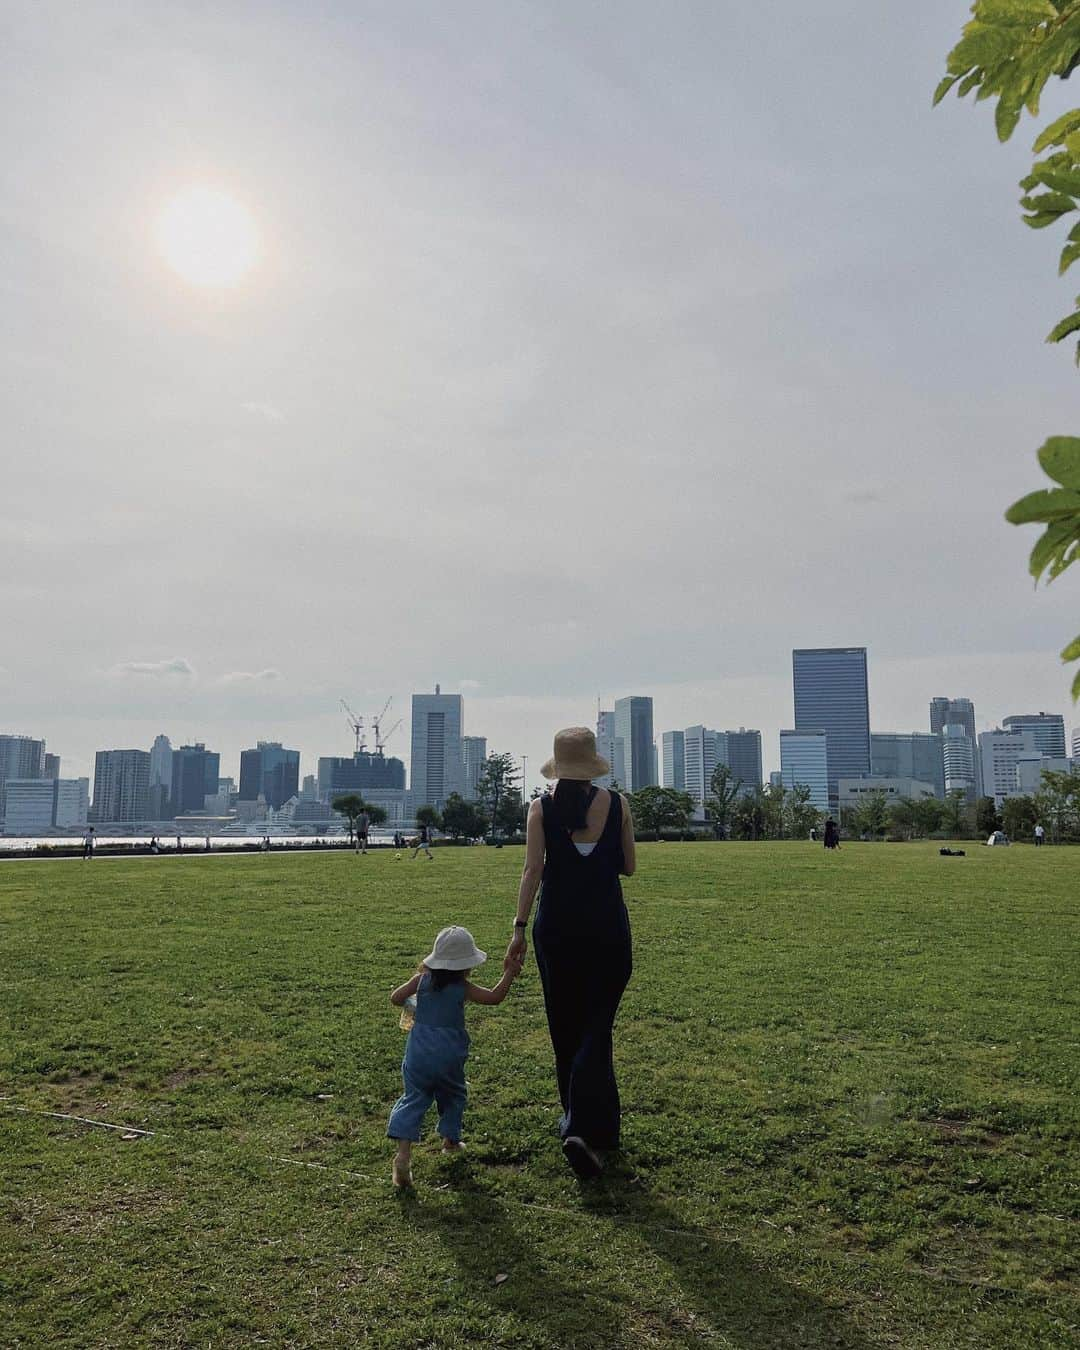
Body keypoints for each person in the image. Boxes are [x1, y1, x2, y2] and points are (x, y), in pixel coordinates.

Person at [506, 727, 636, 1181]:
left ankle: (579, 1125)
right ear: (592, 765)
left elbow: (532, 870)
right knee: (596, 1028)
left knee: (566, 1029)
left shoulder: (540, 809)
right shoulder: (618, 805)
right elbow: (629, 866)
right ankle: (591, 1131)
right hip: (607, 932)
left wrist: (518, 929)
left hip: (556, 931)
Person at [387, 926, 520, 1188]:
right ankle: (449, 1140)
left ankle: (403, 1156)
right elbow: (494, 997)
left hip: (418, 1055)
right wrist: (509, 974)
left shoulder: (420, 981)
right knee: (454, 1094)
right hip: (448, 1055)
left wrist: (414, 1001)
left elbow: (396, 998)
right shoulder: (462, 987)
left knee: (414, 1098)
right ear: (465, 965)